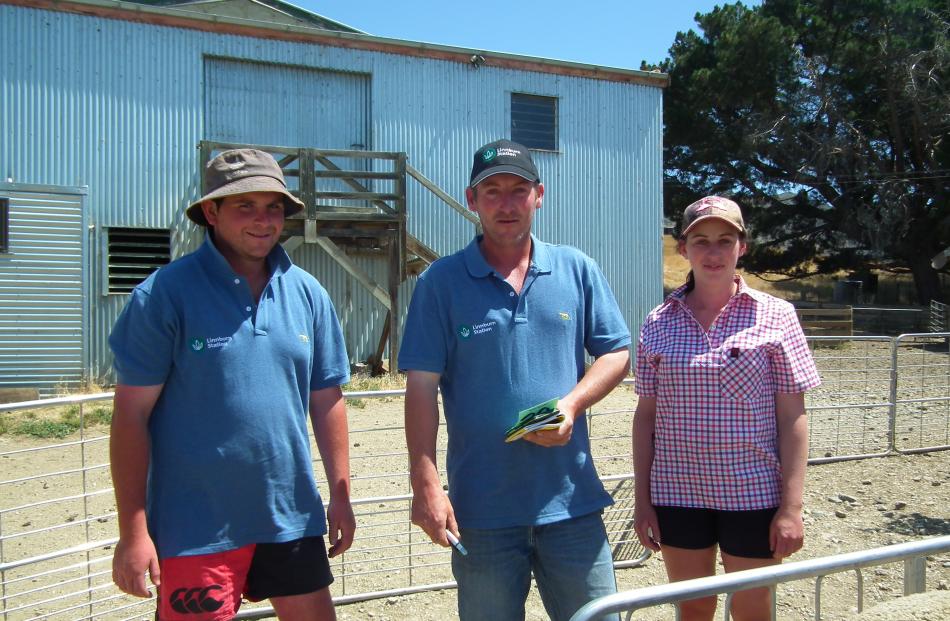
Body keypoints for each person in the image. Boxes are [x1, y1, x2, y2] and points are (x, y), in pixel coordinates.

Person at [108, 148, 355, 621]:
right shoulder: (163, 296)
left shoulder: (307, 292)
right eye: (245, 205)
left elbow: (327, 399)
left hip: (290, 516)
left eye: (274, 207)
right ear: (210, 211)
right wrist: (134, 530)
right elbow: (131, 417)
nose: (263, 221)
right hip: (196, 525)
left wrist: (340, 495)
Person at [399, 139, 631, 621]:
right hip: (481, 512)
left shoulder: (576, 268)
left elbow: (615, 352)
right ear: (471, 199)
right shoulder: (440, 284)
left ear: (539, 195)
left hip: (571, 504)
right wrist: (425, 483)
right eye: (492, 192)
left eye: (518, 190)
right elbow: (421, 387)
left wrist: (572, 404)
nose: (506, 204)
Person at [632, 195, 821, 621]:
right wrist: (643, 500)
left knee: (752, 607)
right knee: (694, 606)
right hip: (677, 491)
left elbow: (793, 415)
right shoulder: (658, 321)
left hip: (752, 491)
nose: (713, 252)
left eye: (724, 240)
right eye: (700, 240)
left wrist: (791, 507)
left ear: (743, 246)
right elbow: (646, 416)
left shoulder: (777, 315)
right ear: (683, 248)